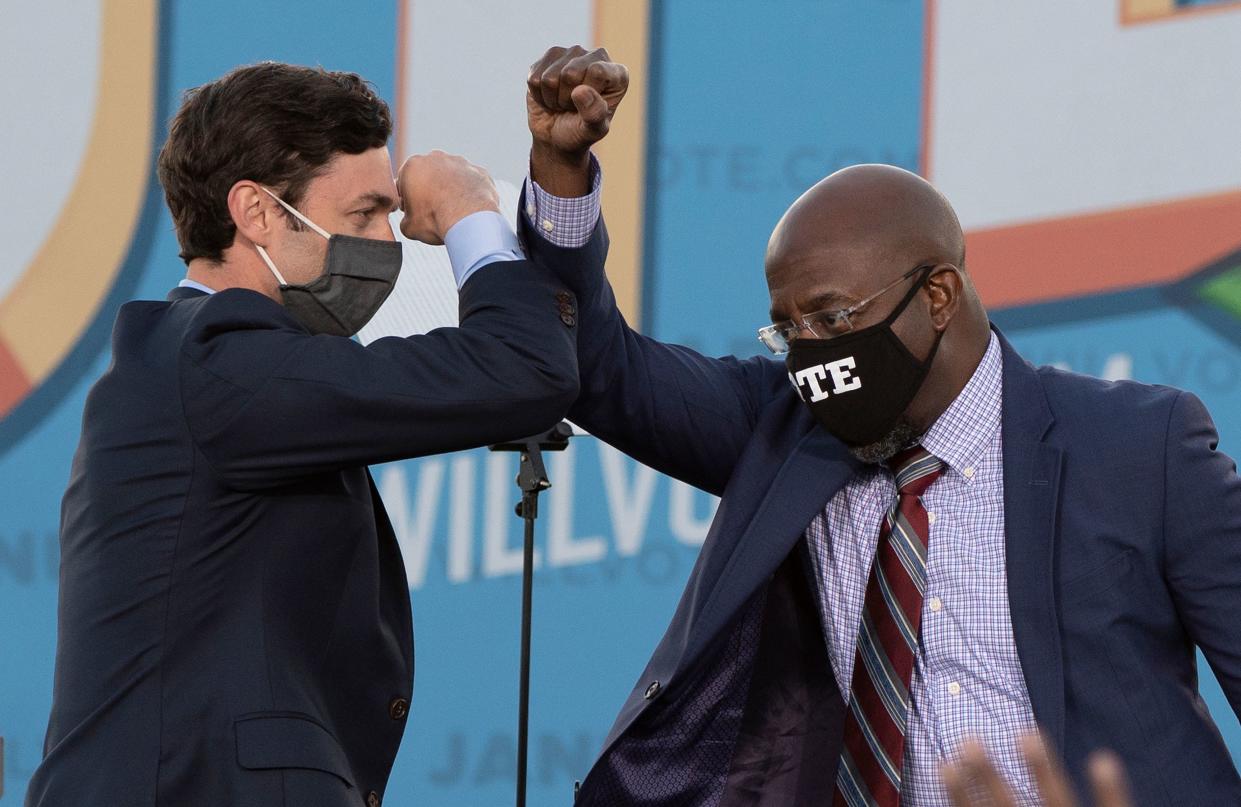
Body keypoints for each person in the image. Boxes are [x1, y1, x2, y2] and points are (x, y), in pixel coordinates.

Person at [519, 47, 1241, 806]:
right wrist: (560, 175)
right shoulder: (782, 431)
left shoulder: (1139, 446)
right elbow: (599, 371)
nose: (812, 350)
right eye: (787, 328)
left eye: (832, 317)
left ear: (937, 296)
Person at [25, 60, 601, 807]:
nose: (388, 243)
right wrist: (470, 214)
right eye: (363, 215)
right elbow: (524, 370)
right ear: (257, 213)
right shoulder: (219, 359)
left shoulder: (225, 367)